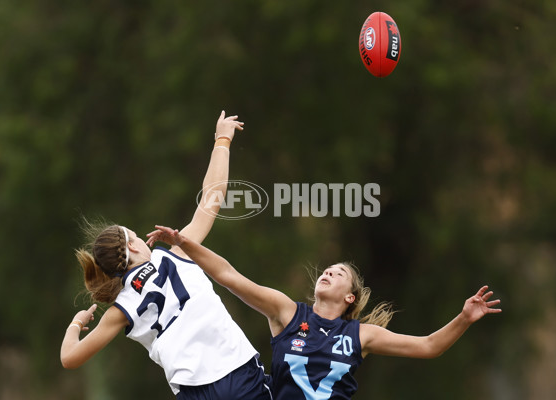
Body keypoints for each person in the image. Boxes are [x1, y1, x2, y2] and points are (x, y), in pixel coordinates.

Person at [145, 225, 502, 400]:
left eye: (339, 273)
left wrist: (464, 318)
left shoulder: (361, 336)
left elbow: (429, 346)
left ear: (350, 297)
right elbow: (227, 276)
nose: (329, 272)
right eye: (327, 270)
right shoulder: (286, 313)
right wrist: (184, 243)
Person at [60, 111, 273, 400]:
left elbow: (70, 358)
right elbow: (212, 196)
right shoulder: (176, 253)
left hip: (193, 392)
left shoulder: (121, 308)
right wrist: (222, 140)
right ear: (133, 247)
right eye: (135, 235)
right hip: (236, 369)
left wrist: (76, 324)